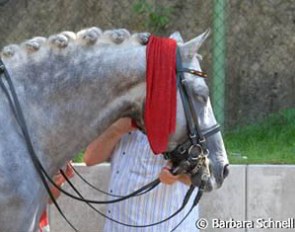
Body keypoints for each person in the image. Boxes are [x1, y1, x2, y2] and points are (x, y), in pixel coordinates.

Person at [84, 118, 199, 232]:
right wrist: (117, 130)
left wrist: (178, 173)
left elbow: (210, 171)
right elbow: (90, 158)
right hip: (116, 226)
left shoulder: (186, 107)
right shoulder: (121, 108)